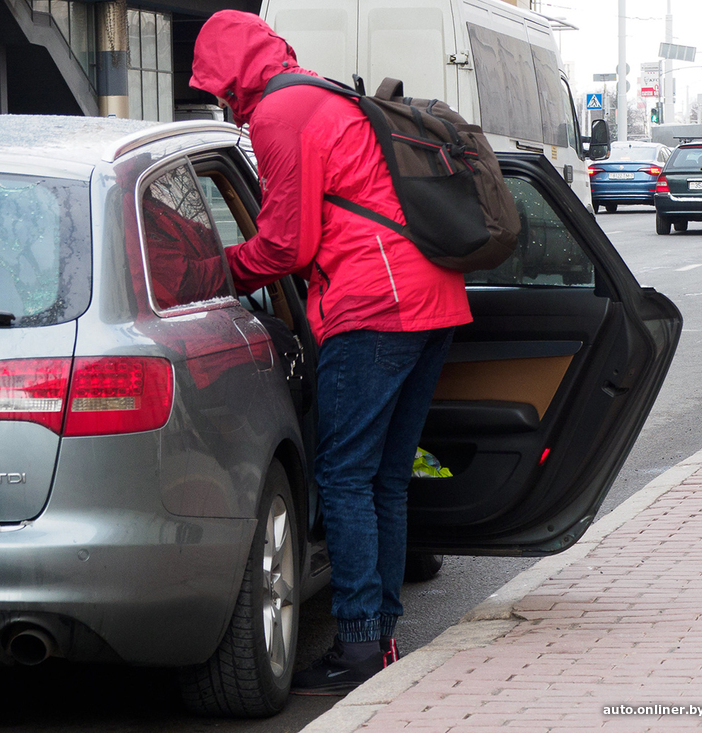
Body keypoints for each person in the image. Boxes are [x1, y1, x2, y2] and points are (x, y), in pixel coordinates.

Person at [189, 10, 473, 695]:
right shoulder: (320, 91)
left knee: (346, 477)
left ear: (230, 74)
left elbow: (287, 244)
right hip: (432, 297)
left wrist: (213, 267)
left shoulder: (279, 114)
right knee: (384, 476)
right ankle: (380, 637)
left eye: (215, 86)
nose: (218, 99)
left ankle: (354, 645)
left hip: (374, 307)